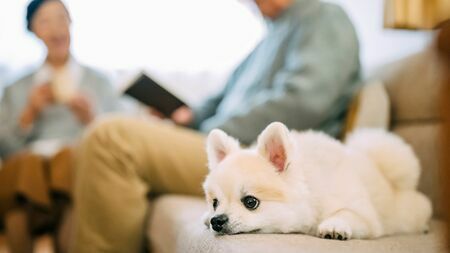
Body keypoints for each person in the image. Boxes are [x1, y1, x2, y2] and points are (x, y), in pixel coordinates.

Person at [70, 0, 360, 252]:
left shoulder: (323, 18)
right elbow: (220, 97)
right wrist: (188, 116)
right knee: (106, 134)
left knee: (111, 137)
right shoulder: (268, 37)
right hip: (226, 148)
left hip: (254, 163)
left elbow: (302, 102)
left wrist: (210, 127)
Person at [0, 0, 117, 252]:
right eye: (45, 20)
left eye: (61, 18)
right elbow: (6, 150)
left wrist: (91, 119)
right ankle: (44, 233)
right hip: (28, 168)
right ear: (32, 31)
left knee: (67, 157)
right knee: (29, 163)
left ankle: (42, 237)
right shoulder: (16, 88)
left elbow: (118, 142)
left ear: (71, 23)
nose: (56, 27)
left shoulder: (100, 83)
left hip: (74, 162)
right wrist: (28, 114)